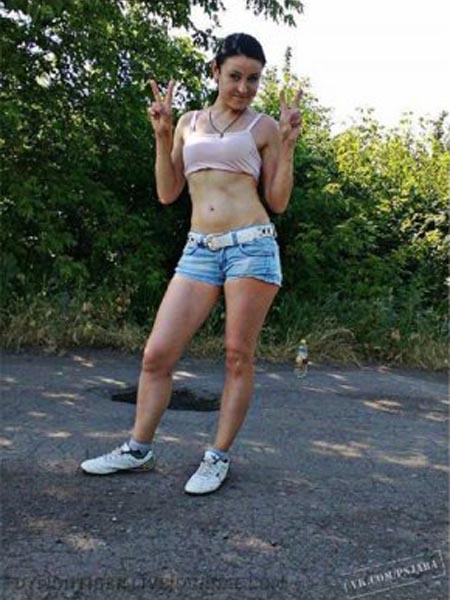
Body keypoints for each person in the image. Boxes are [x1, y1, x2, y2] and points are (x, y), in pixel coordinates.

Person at [80, 32, 302, 495]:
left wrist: (288, 144)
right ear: (215, 71)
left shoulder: (263, 127)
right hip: (199, 248)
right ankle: (138, 449)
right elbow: (168, 192)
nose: (243, 88)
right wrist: (162, 135)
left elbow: (278, 201)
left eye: (253, 79)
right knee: (156, 354)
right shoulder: (188, 122)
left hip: (251, 246)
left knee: (237, 356)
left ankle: (217, 456)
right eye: (235, 76)